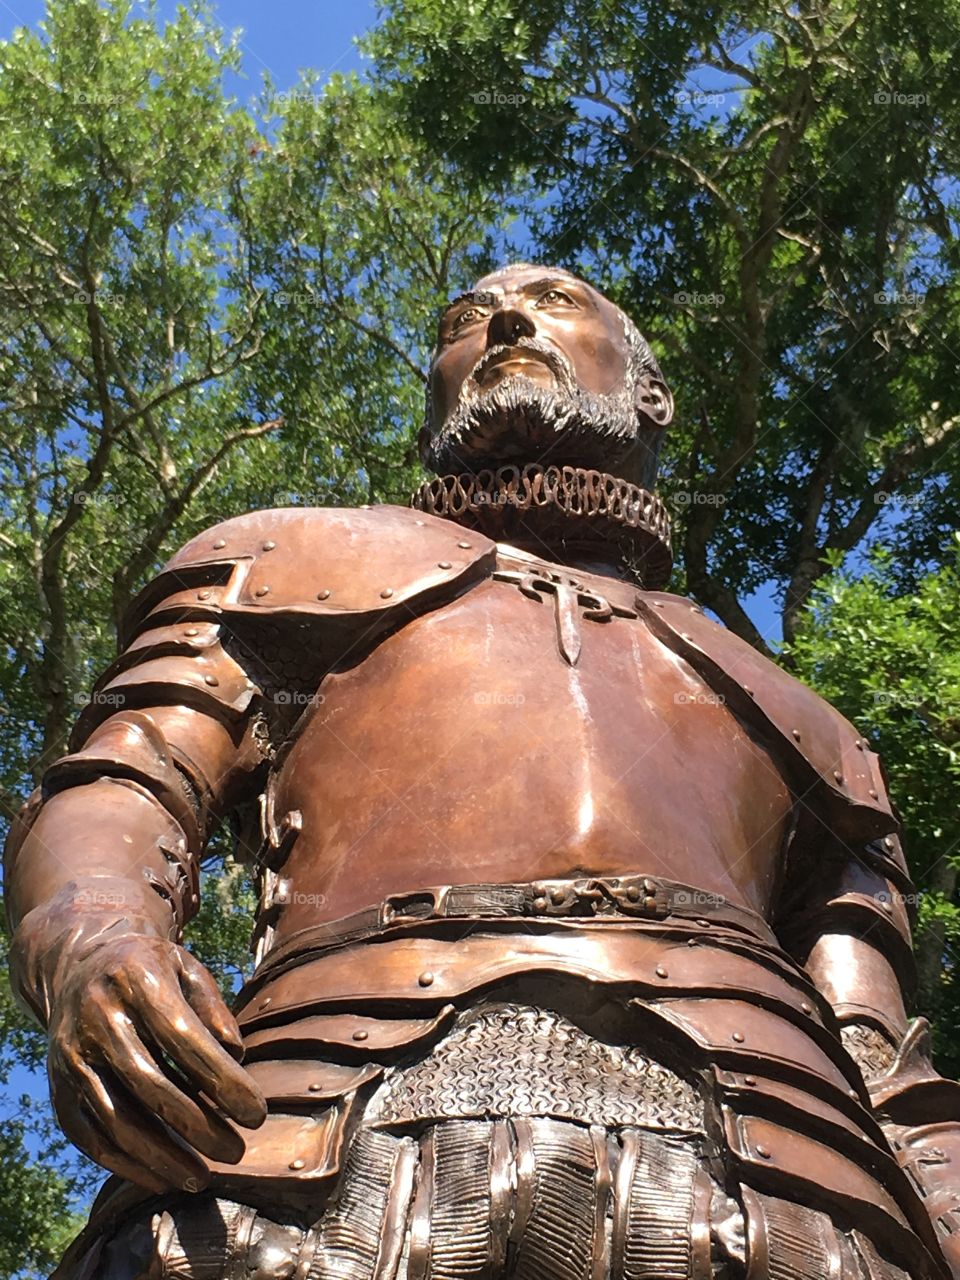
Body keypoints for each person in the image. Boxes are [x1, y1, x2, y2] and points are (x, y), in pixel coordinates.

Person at [8, 263, 960, 1280]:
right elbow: (130, 775)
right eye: (466, 318)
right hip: (309, 1144)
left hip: (776, 1192)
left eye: (556, 302)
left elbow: (873, 1047)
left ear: (650, 391)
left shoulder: (806, 720)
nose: (503, 317)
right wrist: (96, 938)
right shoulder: (284, 557)